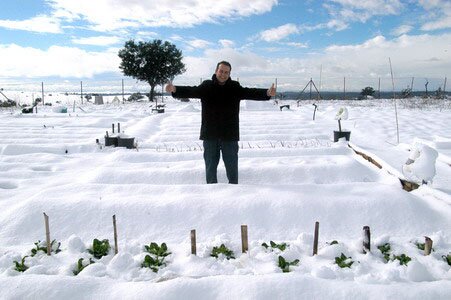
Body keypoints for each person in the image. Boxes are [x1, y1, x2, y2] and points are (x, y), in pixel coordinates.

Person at [165, 60, 276, 184]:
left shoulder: (234, 87)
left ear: (229, 74)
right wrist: (175, 89)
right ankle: (211, 192)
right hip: (210, 134)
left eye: (226, 72)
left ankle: (234, 189)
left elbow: (249, 92)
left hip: (230, 135)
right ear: (216, 71)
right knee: (210, 167)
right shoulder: (207, 86)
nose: (223, 74)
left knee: (232, 167)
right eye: (221, 71)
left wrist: (266, 93)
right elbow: (192, 91)